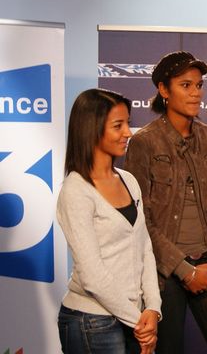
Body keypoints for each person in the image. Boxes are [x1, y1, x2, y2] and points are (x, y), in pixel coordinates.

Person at [124, 51, 207, 354]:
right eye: (186, 85)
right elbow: (142, 219)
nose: (196, 93)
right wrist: (184, 270)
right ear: (164, 90)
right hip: (163, 276)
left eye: (199, 85)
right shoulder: (144, 143)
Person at [56, 88, 161, 354]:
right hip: (91, 323)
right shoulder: (76, 190)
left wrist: (153, 308)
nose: (128, 132)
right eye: (118, 125)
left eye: (127, 123)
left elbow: (145, 250)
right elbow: (92, 276)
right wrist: (140, 322)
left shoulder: (129, 180)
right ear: (91, 129)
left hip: (134, 319)